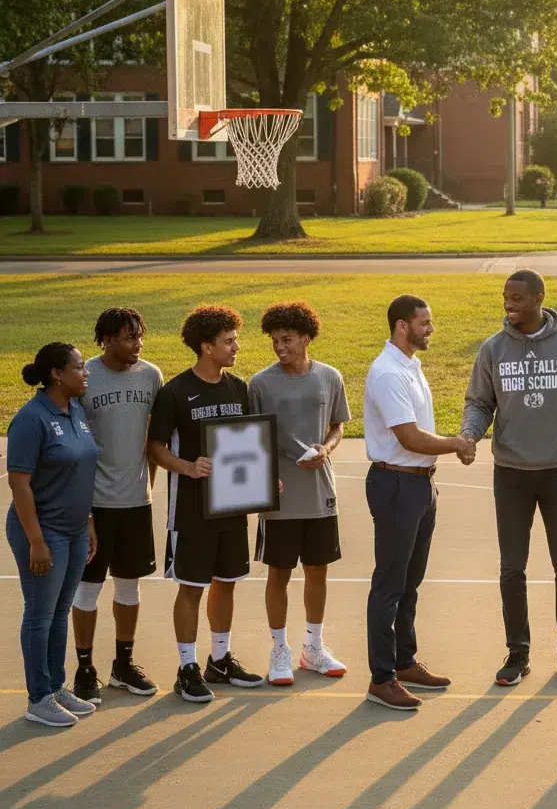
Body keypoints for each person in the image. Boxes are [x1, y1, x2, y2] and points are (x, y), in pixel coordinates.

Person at [462, 270, 557, 687]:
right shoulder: (493, 349)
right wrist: (470, 432)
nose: (510, 304)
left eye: (519, 297)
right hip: (511, 474)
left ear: (540, 297)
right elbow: (479, 403)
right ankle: (518, 652)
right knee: (512, 568)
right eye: (507, 297)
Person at [363, 294, 474, 710]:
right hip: (396, 485)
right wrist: (457, 444)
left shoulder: (411, 365)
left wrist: (445, 449)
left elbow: (418, 435)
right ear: (401, 326)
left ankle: (404, 661)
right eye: (424, 323)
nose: (430, 329)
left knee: (411, 581)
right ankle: (382, 678)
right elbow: (409, 437)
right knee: (389, 584)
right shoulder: (388, 372)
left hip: (420, 485)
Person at [148, 305, 263, 704]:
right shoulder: (175, 392)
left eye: (235, 340)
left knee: (227, 581)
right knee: (192, 587)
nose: (236, 348)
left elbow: (247, 441)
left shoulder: (239, 388)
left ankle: (219, 660)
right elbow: (156, 448)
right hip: (191, 509)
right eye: (228, 342)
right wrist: (187, 467)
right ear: (206, 346)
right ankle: (186, 667)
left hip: (230, 505)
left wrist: (263, 476)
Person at [250, 301, 350, 686]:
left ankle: (313, 648)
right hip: (278, 497)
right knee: (278, 573)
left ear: (306, 337)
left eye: (286, 339)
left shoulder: (329, 377)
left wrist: (326, 448)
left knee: (317, 571)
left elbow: (338, 426)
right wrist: (265, 474)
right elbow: (252, 438)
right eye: (274, 340)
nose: (279, 347)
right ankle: (279, 649)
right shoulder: (260, 383)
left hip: (321, 493)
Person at [72, 308, 163, 705]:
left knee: (130, 586)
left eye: (140, 336)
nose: (137, 344)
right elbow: (74, 448)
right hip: (94, 505)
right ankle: (85, 668)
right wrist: (84, 511)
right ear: (107, 339)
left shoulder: (151, 375)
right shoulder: (84, 377)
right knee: (87, 590)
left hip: (135, 503)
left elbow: (153, 437)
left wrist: (149, 487)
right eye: (129, 337)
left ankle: (122, 665)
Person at [7, 343, 99, 727]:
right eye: (80, 367)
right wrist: (36, 541)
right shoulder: (31, 420)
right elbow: (19, 485)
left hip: (76, 530)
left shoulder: (75, 409)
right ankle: (38, 697)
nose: (86, 372)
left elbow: (80, 469)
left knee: (61, 612)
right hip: (45, 533)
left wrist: (89, 520)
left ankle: (57, 685)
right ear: (58, 375)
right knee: (40, 615)